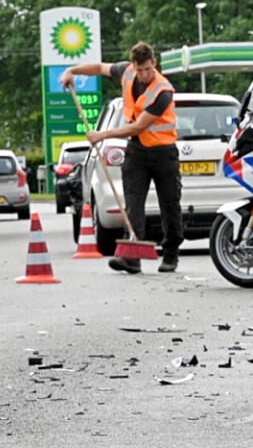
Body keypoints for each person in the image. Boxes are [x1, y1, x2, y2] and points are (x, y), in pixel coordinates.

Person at [62, 42, 180, 275]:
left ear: (154, 63)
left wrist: (102, 135)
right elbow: (99, 68)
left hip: (163, 154)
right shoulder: (126, 72)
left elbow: (138, 126)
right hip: (137, 152)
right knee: (132, 204)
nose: (144, 74)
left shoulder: (163, 91)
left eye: (148, 69)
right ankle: (131, 258)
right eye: (140, 70)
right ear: (133, 65)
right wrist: (72, 71)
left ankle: (170, 254)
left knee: (170, 204)